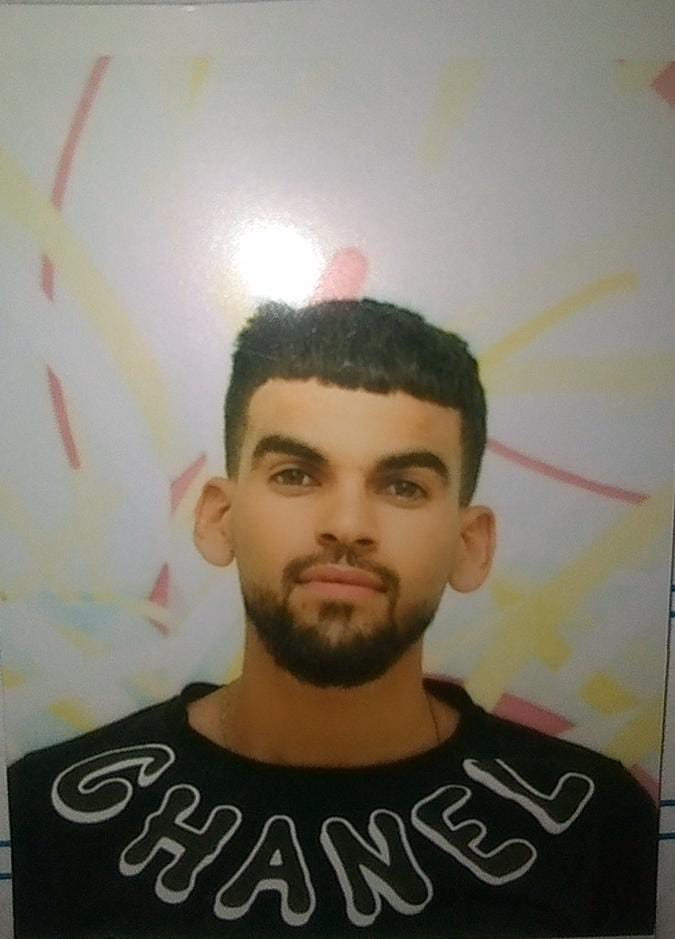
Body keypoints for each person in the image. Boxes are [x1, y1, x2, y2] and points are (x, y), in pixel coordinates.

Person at [9, 299, 657, 938]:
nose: (347, 525)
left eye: (402, 486)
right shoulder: (48, 815)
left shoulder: (591, 824)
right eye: (295, 474)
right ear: (218, 518)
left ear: (470, 545)